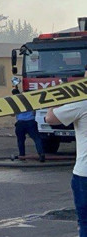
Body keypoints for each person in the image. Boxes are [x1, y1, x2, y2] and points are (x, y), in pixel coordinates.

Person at [46, 66, 87, 237]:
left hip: (85, 174)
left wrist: (55, 96)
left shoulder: (82, 103)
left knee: (85, 222)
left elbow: (50, 118)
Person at [12, 87, 45, 162]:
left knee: (20, 140)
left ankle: (22, 155)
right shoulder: (31, 101)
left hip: (20, 123)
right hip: (31, 121)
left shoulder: (15, 102)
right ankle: (41, 154)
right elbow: (34, 112)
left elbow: (12, 114)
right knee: (37, 138)